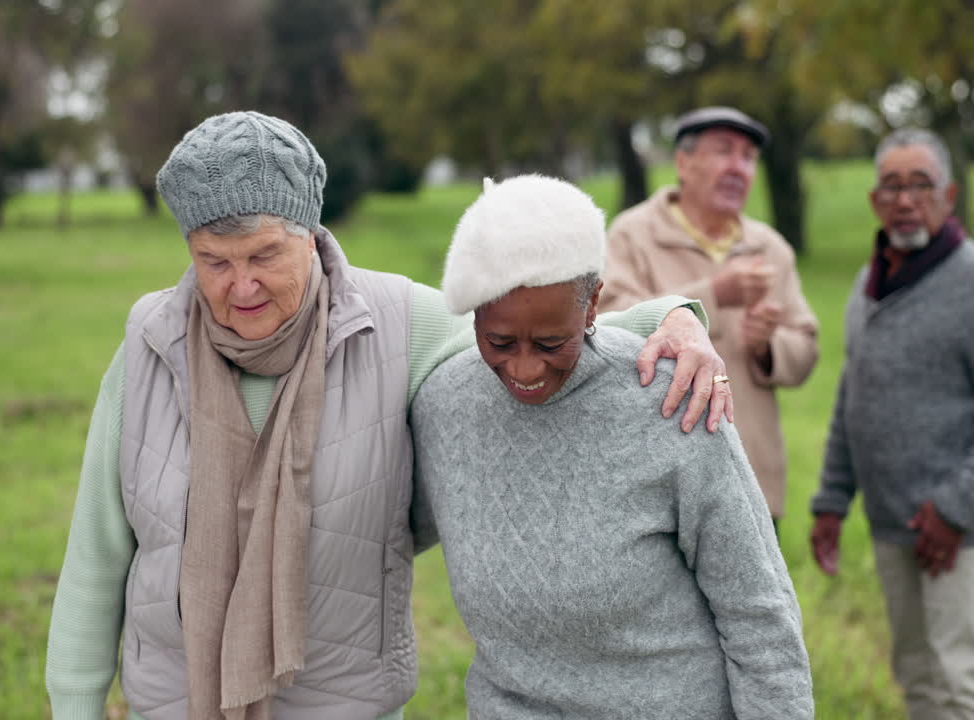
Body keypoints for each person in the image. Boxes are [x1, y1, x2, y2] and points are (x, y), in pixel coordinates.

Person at [42, 112, 738, 720]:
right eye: (212, 262)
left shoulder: (399, 324)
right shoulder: (151, 340)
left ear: (311, 238)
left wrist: (669, 317)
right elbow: (97, 554)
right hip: (173, 705)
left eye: (264, 255)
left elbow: (531, 336)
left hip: (345, 706)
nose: (240, 285)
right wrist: (74, 706)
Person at [410, 174, 813, 719]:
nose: (525, 368)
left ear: (593, 303)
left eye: (552, 342)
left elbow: (759, 612)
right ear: (472, 312)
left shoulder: (672, 399)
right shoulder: (442, 404)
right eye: (499, 342)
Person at [809, 128, 974, 720]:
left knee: (961, 682)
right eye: (891, 186)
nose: (905, 199)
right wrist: (832, 499)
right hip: (890, 522)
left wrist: (956, 510)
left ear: (948, 195)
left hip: (957, 530)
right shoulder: (867, 284)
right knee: (917, 678)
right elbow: (853, 395)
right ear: (875, 201)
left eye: (921, 185)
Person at [600, 106, 818, 534]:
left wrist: (768, 347)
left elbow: (807, 349)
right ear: (683, 162)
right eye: (724, 152)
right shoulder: (632, 235)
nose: (739, 168)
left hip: (751, 477)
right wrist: (714, 296)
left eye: (748, 157)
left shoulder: (770, 247)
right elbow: (607, 325)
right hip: (657, 483)